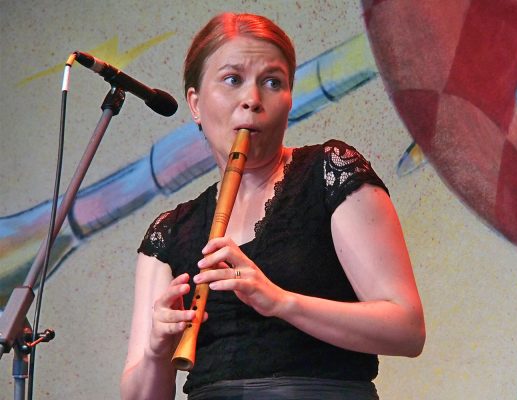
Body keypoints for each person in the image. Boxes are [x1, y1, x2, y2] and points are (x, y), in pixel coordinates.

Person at [120, 12, 425, 400]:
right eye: (233, 80)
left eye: (272, 82)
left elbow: (407, 329)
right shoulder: (169, 232)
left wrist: (281, 302)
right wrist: (156, 350)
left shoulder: (327, 171)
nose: (252, 100)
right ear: (194, 103)